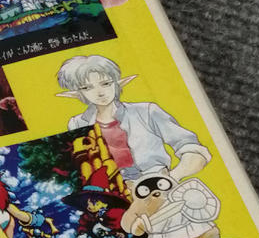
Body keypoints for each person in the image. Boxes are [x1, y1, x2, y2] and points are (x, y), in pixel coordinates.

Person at [56, 54, 211, 184]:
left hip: (158, 185)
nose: (100, 92)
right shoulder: (78, 123)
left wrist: (171, 178)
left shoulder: (146, 111)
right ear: (77, 92)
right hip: (114, 196)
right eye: (87, 88)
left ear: (116, 83)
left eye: (106, 83)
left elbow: (194, 151)